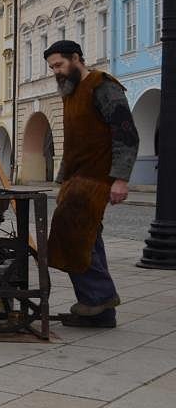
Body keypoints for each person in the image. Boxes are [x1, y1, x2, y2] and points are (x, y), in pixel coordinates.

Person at [45, 40, 138, 329]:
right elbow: (73, 143)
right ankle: (97, 309)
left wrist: (120, 179)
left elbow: (126, 133)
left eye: (59, 65)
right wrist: (62, 181)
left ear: (76, 58)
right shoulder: (70, 92)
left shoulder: (102, 85)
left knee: (73, 235)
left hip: (97, 177)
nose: (56, 72)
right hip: (77, 178)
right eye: (52, 68)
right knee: (84, 238)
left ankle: (99, 299)